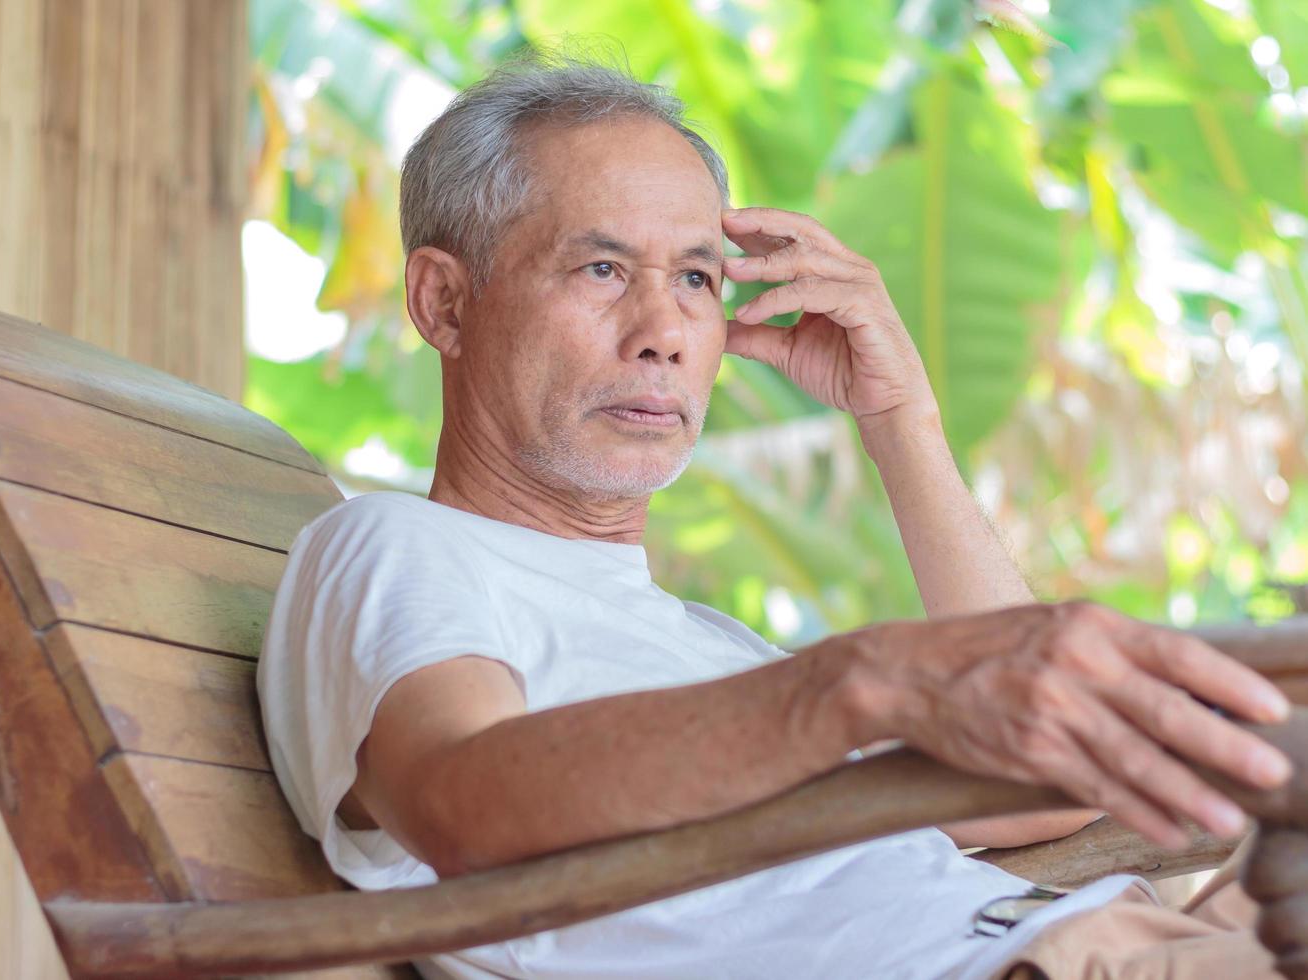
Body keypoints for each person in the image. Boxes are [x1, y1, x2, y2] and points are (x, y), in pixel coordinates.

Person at [256, 51, 1295, 979]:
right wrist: (859, 682)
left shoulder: (708, 650)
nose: (664, 329)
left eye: (699, 277)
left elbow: (1041, 789)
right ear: (444, 302)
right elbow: (460, 802)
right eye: (603, 268)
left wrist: (902, 422)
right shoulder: (393, 549)